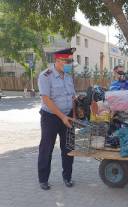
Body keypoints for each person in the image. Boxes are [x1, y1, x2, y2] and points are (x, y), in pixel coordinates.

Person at [37, 48, 76, 190]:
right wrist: (62, 117)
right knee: (46, 148)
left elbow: (71, 96)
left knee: (68, 148)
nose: (70, 64)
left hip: (68, 115)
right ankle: (43, 179)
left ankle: (67, 177)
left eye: (70, 61)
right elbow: (46, 100)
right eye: (68, 61)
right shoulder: (45, 76)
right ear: (58, 61)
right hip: (51, 117)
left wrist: (74, 112)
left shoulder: (68, 75)